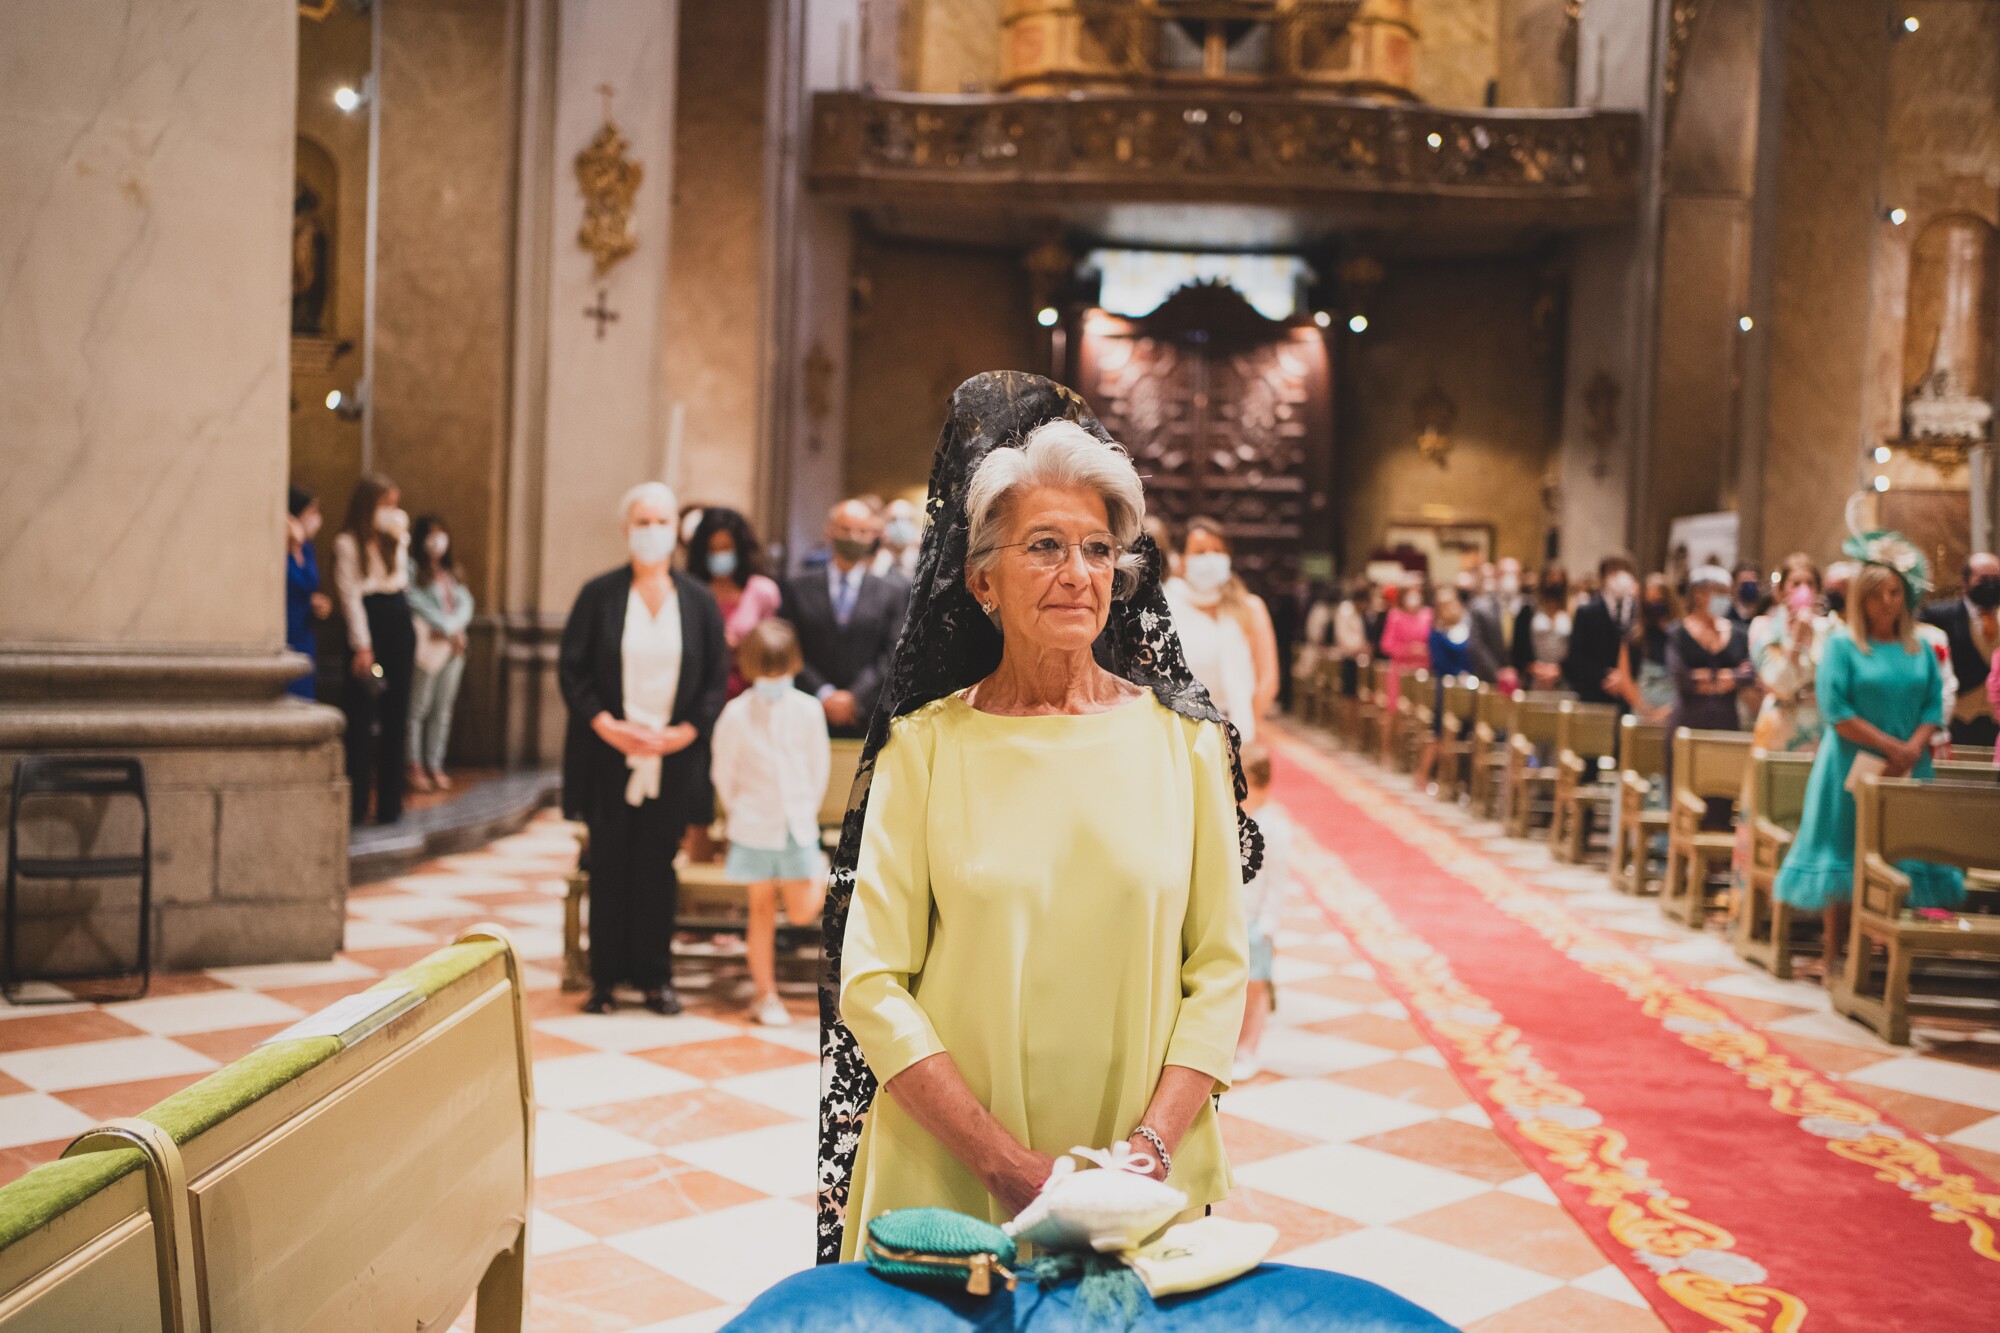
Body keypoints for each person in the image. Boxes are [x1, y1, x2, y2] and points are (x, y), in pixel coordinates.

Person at [823, 382, 1251, 1263]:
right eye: (1046, 546)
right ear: (982, 578)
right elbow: (872, 983)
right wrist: (1007, 1165)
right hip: (949, 1178)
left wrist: (1150, 1152)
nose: (1079, 573)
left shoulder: (1186, 745)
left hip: (1138, 1186)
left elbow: (1216, 970)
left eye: (1100, 549)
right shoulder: (926, 746)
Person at [559, 481, 730, 1016]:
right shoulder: (599, 594)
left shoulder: (698, 601)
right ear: (626, 529)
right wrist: (606, 725)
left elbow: (715, 680)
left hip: (674, 756)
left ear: (675, 531)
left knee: (658, 866)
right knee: (608, 863)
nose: (652, 532)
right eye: (642, 522)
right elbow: (573, 670)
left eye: (661, 522)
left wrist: (684, 733)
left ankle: (656, 978)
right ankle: (605, 979)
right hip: (610, 752)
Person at [1775, 542, 1963, 978]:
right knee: (1844, 854)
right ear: (1862, 598)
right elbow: (1835, 709)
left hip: (1909, 764)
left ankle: (1885, 954)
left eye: (1896, 592)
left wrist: (1912, 747)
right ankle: (1833, 953)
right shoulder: (1843, 645)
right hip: (1850, 764)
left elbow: (1934, 706)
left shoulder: (1921, 646)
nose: (1887, 602)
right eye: (1878, 593)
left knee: (1899, 853)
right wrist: (1889, 746)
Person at [710, 619, 829, 1028]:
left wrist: (803, 810)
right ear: (749, 669)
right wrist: (740, 812)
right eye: (766, 672)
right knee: (759, 910)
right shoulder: (736, 715)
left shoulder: (808, 711)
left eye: (781, 672)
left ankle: (818, 868)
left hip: (796, 825)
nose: (774, 680)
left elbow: (818, 768)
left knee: (799, 912)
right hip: (753, 828)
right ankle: (766, 995)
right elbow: (723, 773)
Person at [782, 500, 909, 738]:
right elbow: (789, 647)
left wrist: (855, 698)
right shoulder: (797, 587)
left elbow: (893, 653)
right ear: (829, 531)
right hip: (807, 710)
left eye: (861, 531)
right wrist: (823, 693)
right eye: (845, 529)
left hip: (865, 716)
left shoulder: (892, 592)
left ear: (873, 537)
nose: (853, 537)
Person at [333, 475, 415, 825]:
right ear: (370, 506)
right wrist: (362, 646)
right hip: (370, 624)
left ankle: (390, 805)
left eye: (395, 505)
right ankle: (355, 807)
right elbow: (350, 596)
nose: (393, 512)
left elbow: (400, 580)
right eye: (386, 505)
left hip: (398, 619)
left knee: (398, 715)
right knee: (362, 717)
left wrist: (397, 536)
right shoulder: (347, 543)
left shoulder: (395, 539)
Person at [1164, 517, 1278, 742]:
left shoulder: (1249, 607)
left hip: (1234, 729)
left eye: (1218, 551)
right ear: (1182, 560)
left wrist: (1243, 726)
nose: (1210, 558)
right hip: (1178, 731)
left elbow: (1268, 678)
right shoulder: (1165, 606)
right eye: (1200, 552)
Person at [405, 514, 475, 793]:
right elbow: (414, 601)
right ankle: (414, 765)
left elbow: (466, 603)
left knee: (442, 709)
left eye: (441, 533)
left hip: (453, 649)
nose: (437, 540)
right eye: (431, 534)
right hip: (427, 648)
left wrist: (455, 627)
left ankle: (435, 764)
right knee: (418, 707)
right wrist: (446, 626)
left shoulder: (453, 572)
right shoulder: (413, 570)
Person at [1233, 741, 1290, 1083]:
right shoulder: (1238, 818)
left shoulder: (1275, 828)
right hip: (1234, 916)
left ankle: (1249, 1048)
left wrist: (1267, 927)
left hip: (1257, 923)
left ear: (1261, 786)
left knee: (1255, 989)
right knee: (1236, 986)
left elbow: (1277, 885)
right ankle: (1233, 1044)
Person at [688, 506, 784, 699]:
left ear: (740, 548)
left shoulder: (762, 591)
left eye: (725, 548)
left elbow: (775, 649)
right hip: (700, 693)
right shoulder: (692, 591)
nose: (719, 555)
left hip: (750, 694)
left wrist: (742, 645)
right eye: (712, 549)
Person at [1749, 554, 1829, 754]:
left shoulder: (1828, 630)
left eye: (1810, 584)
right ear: (1782, 590)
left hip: (1820, 731)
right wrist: (1797, 637)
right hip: (1779, 730)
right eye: (1796, 584)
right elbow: (1779, 686)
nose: (1804, 590)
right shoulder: (1764, 627)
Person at [1919, 551, 2000, 747]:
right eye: (1983, 579)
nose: (1991, 584)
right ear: (1965, 581)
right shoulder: (1937, 616)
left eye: (1996, 578)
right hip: (1959, 721)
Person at [1417, 587, 1475, 786]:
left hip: (1467, 689)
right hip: (1446, 688)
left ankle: (1456, 780)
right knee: (1439, 733)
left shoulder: (1466, 629)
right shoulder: (1436, 633)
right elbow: (1439, 663)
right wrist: (1459, 674)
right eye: (1444, 604)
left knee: (1464, 734)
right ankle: (1426, 775)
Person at [1565, 553, 1638, 705]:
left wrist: (1624, 679)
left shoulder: (1640, 613)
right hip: (1595, 695)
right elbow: (1576, 657)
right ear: (1603, 577)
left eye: (1623, 571)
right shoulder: (1586, 613)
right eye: (1613, 571)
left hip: (1631, 697)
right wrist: (1605, 675)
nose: (1619, 577)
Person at [285, 486, 332, 701]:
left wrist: (318, 603)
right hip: (286, 628)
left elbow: (307, 585)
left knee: (304, 694)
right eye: (311, 511)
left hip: (305, 630)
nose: (316, 517)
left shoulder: (307, 548)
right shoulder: (280, 546)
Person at [1468, 556, 1528, 687]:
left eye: (1514, 574)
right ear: (1495, 576)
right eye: (1504, 574)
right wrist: (1498, 673)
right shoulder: (1480, 607)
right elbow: (1476, 645)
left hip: (1522, 684)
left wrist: (1519, 673)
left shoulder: (1528, 608)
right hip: (1489, 683)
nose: (1509, 578)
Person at [1377, 581, 1432, 715]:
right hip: (1399, 671)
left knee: (1420, 712)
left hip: (1422, 671)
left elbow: (1434, 642)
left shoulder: (1428, 615)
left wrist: (1423, 650)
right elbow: (1386, 645)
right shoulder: (1395, 615)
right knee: (1395, 711)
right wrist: (1408, 649)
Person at [1526, 569, 1572, 690]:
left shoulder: (1573, 609)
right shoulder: (1530, 609)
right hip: (1536, 675)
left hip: (1563, 678)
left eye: (1558, 581)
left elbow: (1576, 646)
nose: (1554, 584)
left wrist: (1560, 669)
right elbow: (1521, 645)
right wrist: (1534, 667)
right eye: (1551, 580)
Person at [871, 497, 922, 583]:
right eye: (894, 519)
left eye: (907, 520)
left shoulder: (924, 563)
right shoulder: (873, 564)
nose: (900, 526)